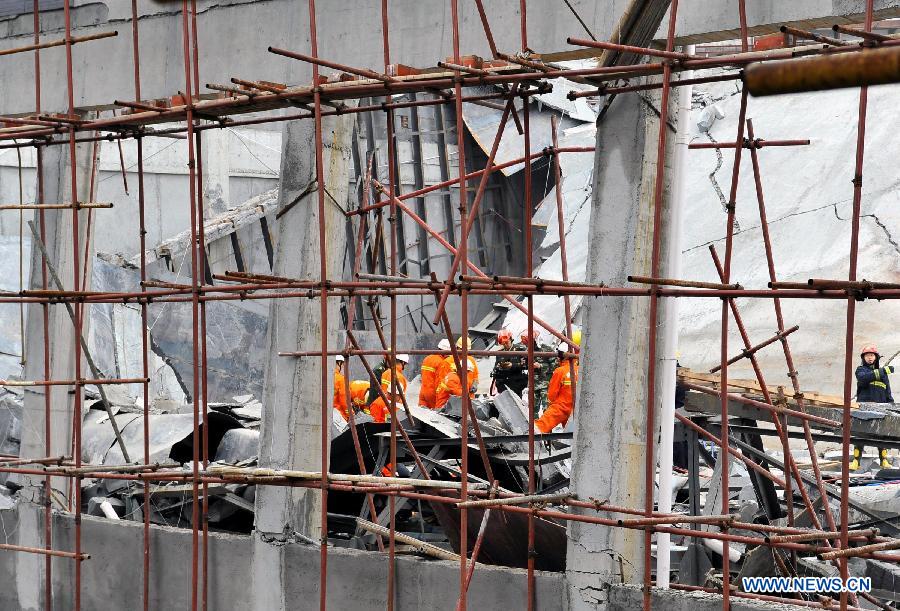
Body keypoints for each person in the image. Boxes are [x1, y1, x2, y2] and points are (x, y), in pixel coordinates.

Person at [853, 344, 894, 470]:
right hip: (864, 408)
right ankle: (856, 462)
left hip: (881, 408)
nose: (870, 358)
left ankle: (884, 461)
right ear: (863, 358)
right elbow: (864, 378)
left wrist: (891, 405)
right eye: (867, 356)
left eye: (872, 355)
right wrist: (883, 370)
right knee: (860, 435)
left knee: (882, 436)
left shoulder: (883, 375)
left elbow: (888, 391)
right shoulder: (861, 370)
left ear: (876, 357)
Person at [534, 341, 579, 433]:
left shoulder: (560, 371)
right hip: (576, 410)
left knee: (539, 428)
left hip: (561, 408)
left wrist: (551, 405)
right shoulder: (581, 369)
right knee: (572, 435)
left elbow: (552, 394)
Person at [368, 354, 410, 423]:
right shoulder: (400, 378)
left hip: (382, 404)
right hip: (393, 407)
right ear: (403, 363)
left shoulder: (385, 372)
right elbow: (398, 396)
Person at [491, 328, 528, 396]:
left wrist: (513, 365)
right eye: (503, 343)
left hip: (517, 384)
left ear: (510, 339)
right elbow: (495, 367)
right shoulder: (500, 353)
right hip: (503, 385)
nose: (505, 345)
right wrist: (499, 367)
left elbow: (526, 365)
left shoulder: (520, 350)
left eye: (507, 342)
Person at [418, 339, 450, 409]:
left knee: (421, 415)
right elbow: (440, 382)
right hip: (433, 394)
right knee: (433, 417)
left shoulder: (427, 358)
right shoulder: (441, 362)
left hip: (423, 392)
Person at [333, 355, 350, 421]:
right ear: (339, 363)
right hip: (337, 415)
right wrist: (350, 415)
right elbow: (344, 400)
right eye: (342, 365)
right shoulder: (341, 379)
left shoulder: (323, 375)